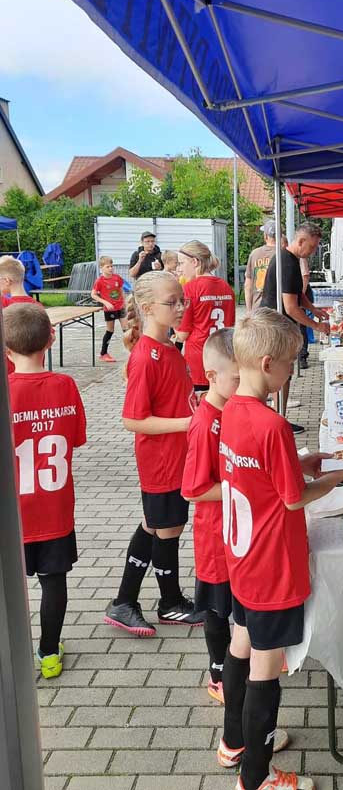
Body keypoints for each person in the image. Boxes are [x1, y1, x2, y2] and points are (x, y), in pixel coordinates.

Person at [218, 308, 343, 790]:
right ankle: (256, 777)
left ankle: (233, 741)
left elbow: (260, 473)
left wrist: (303, 461)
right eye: (291, 363)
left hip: (242, 557)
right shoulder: (272, 425)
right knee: (266, 668)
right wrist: (338, 478)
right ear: (267, 364)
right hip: (272, 565)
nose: (292, 372)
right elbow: (294, 498)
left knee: (240, 643)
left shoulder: (231, 411)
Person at [104, 271, 202, 637]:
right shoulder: (146, 356)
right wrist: (187, 424)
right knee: (168, 528)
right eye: (171, 302)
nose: (180, 308)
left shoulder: (169, 348)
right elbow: (133, 419)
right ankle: (170, 603)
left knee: (155, 524)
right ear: (147, 308)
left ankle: (124, 602)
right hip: (161, 461)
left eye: (182, 300)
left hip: (177, 455)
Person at [6, 304, 86, 678]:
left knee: (11, 587)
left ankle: (13, 656)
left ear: (6, 349)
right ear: (51, 340)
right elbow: (76, 439)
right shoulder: (65, 385)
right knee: (54, 581)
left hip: (14, 515)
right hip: (55, 509)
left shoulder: (6, 392)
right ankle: (49, 653)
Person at [181, 329, 239, 704]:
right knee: (217, 611)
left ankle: (245, 656)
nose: (245, 386)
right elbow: (194, 489)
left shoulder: (231, 409)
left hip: (236, 530)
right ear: (212, 376)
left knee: (239, 600)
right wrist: (246, 484)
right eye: (238, 379)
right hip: (215, 537)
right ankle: (218, 673)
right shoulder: (206, 423)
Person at [259, 222, 329, 432]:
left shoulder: (290, 259)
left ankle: (278, 418)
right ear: (301, 241)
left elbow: (297, 294)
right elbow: (290, 307)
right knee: (279, 375)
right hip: (275, 327)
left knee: (282, 375)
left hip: (276, 324)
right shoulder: (287, 263)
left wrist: (313, 309)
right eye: (312, 247)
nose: (313, 251)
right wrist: (317, 326)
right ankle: (279, 421)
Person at [175, 241, 236, 392]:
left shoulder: (190, 289)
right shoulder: (226, 287)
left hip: (199, 360)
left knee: (200, 403)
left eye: (181, 263)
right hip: (224, 356)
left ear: (195, 262)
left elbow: (182, 334)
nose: (179, 269)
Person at [0, 255, 45, 375]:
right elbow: (50, 337)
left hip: (10, 373)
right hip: (35, 370)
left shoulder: (4, 303)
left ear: (7, 281)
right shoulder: (37, 306)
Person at [91, 255, 128, 363]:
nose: (110, 268)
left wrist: (124, 302)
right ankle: (103, 353)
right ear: (101, 268)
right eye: (108, 267)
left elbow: (121, 290)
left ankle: (133, 351)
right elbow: (93, 294)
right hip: (110, 309)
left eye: (112, 266)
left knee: (126, 329)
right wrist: (106, 303)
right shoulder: (100, 281)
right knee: (110, 330)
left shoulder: (117, 278)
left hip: (120, 307)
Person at [244, 221, 287, 311]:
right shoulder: (284, 254)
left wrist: (249, 310)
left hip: (258, 308)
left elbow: (248, 285)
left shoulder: (254, 254)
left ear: (266, 236)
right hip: (279, 308)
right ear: (280, 236)